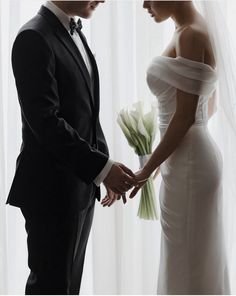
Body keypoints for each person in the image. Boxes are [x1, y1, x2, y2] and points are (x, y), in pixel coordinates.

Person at [6, 1, 136, 294]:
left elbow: (85, 113)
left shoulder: (74, 31)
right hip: (50, 191)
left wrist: (102, 168)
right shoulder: (33, 37)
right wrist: (102, 170)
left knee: (68, 286)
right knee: (52, 287)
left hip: (79, 186)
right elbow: (47, 123)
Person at [103, 0, 230, 294]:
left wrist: (148, 168)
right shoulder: (188, 30)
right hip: (187, 157)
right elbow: (207, 106)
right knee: (187, 253)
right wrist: (160, 163)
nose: (145, 5)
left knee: (186, 256)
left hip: (190, 164)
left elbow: (186, 116)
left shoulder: (191, 34)